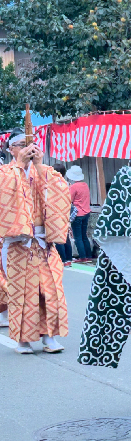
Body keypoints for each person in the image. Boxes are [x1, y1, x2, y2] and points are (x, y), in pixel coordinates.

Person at [0, 129, 70, 354]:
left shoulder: (47, 171)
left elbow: (59, 195)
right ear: (11, 149)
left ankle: (49, 337)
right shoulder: (5, 173)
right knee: (22, 293)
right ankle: (23, 340)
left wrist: (39, 166)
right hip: (18, 243)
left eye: (31, 145)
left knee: (49, 291)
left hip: (43, 242)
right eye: (22, 145)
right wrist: (20, 167)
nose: (28, 149)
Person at [66, 165, 93, 263]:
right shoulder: (85, 185)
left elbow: (69, 199)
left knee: (77, 237)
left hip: (77, 214)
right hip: (86, 212)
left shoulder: (73, 187)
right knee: (84, 235)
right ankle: (88, 255)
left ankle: (82, 257)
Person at [52, 164, 73, 266]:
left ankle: (62, 259)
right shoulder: (67, 183)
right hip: (66, 210)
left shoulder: (53, 183)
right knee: (66, 235)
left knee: (58, 236)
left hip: (56, 211)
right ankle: (69, 258)